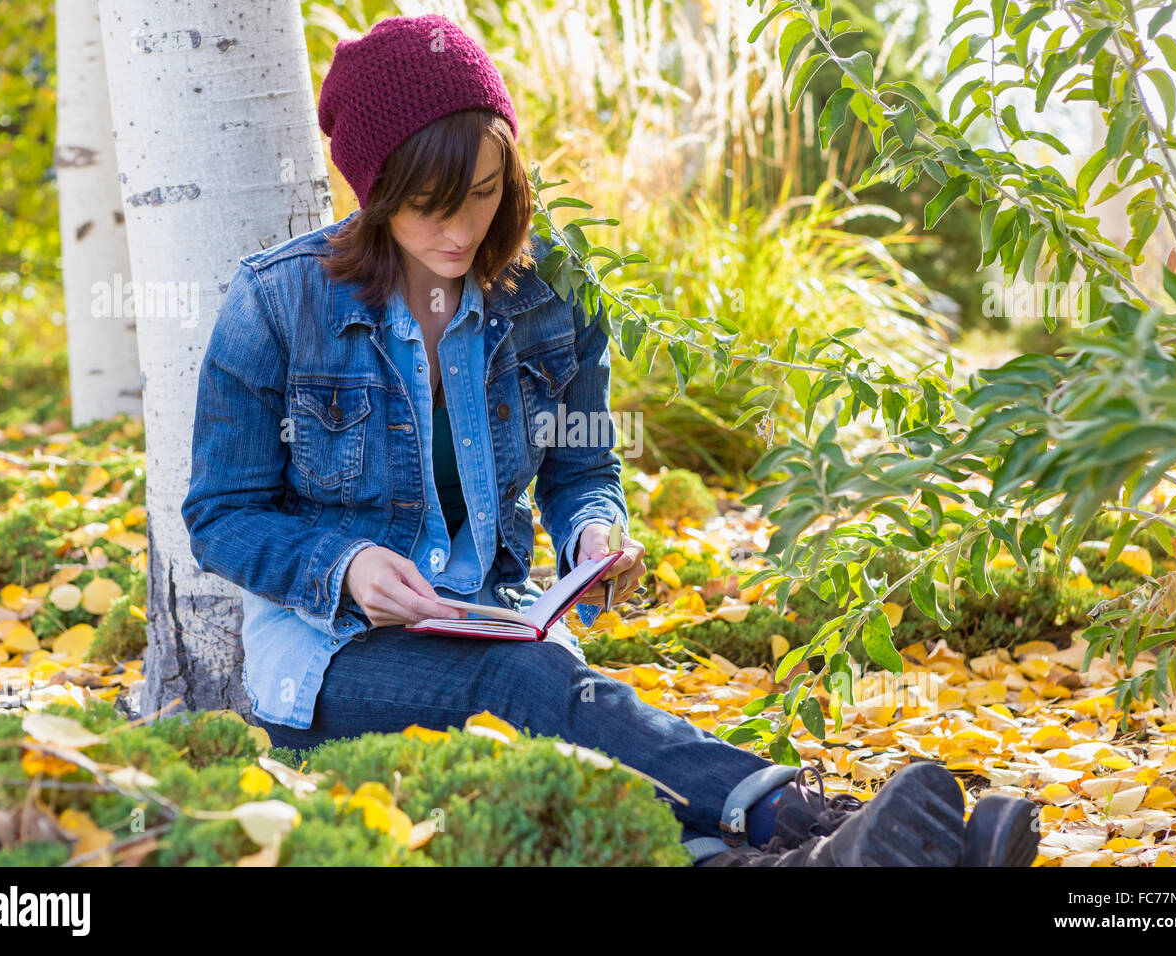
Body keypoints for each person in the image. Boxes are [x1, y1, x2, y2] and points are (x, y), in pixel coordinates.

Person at [181, 12, 1040, 867]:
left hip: (500, 625)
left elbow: (583, 463)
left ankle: (789, 859)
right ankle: (812, 819)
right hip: (332, 661)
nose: (459, 230)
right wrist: (347, 566)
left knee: (566, 757)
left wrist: (595, 527)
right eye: (427, 206)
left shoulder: (547, 291)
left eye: (483, 194)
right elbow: (220, 516)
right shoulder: (275, 304)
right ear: (376, 193)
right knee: (535, 691)